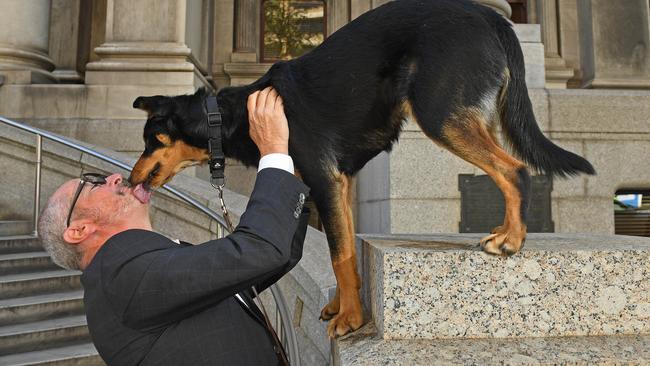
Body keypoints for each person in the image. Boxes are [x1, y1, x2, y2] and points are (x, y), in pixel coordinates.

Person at [37, 87, 310, 366]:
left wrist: (298, 168)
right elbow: (258, 251)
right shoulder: (119, 276)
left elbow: (277, 255)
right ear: (78, 231)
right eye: (94, 182)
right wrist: (274, 150)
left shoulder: (137, 273)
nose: (115, 177)